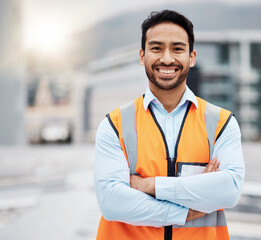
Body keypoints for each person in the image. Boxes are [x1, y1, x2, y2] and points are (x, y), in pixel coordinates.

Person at [94, 10, 245, 240]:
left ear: (191, 57)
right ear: (142, 56)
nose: (166, 58)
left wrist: (149, 185)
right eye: (156, 48)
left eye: (177, 48)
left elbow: (229, 190)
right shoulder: (114, 125)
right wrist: (185, 211)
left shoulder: (222, 124)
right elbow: (112, 202)